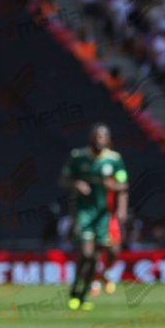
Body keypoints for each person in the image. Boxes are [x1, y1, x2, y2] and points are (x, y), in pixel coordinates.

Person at [59, 123, 128, 310]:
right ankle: (75, 286)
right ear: (91, 139)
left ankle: (83, 295)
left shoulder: (114, 160)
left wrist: (115, 191)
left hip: (103, 215)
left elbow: (123, 185)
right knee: (86, 253)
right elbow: (63, 180)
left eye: (103, 137)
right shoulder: (78, 157)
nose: (100, 141)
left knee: (97, 256)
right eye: (97, 137)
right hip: (83, 212)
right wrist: (76, 184)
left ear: (108, 140)